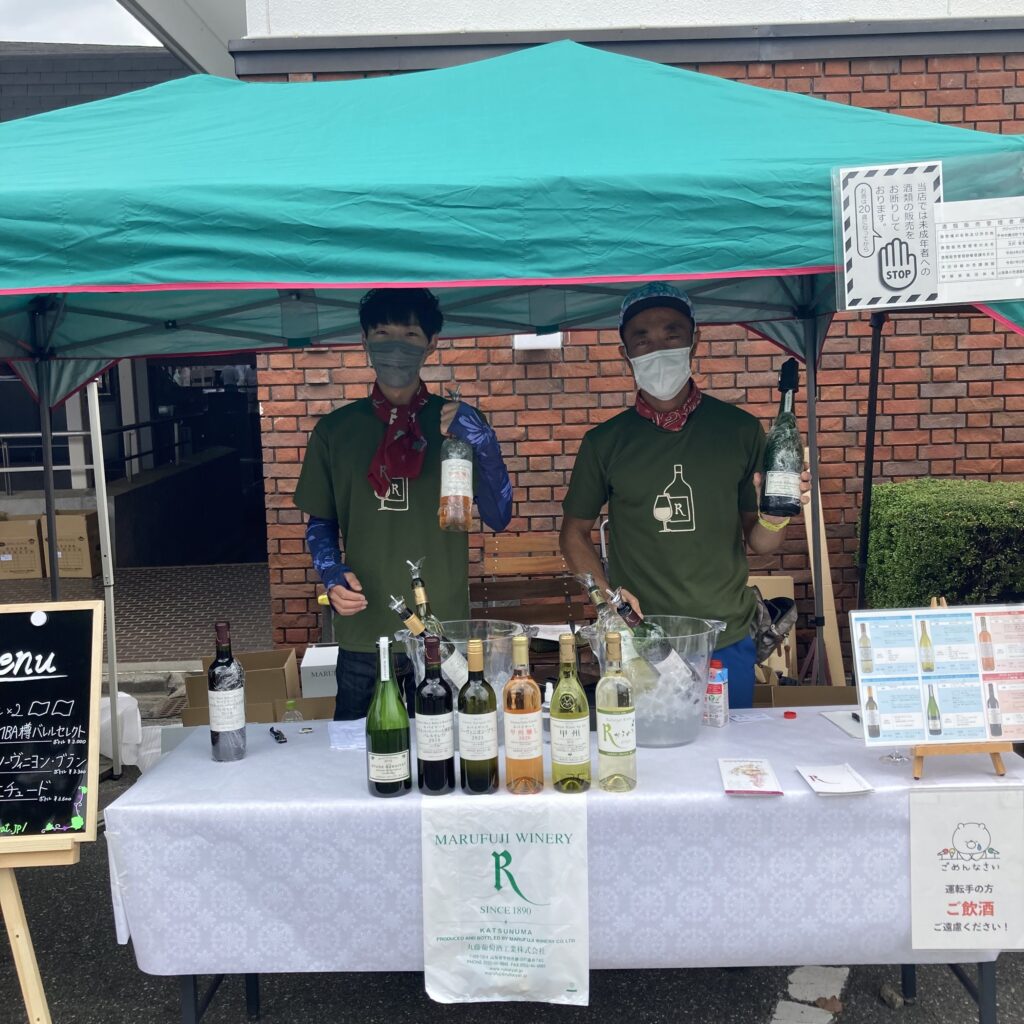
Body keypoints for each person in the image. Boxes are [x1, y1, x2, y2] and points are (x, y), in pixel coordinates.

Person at [559, 282, 810, 708]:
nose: (658, 348)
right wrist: (607, 602)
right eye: (642, 339)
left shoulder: (739, 430)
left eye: (672, 334)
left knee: (729, 747)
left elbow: (762, 543)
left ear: (695, 340)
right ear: (625, 353)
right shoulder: (605, 442)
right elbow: (573, 534)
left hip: (725, 637)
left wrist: (777, 514)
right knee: (646, 749)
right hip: (641, 641)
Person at [294, 288, 513, 719]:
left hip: (443, 636)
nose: (396, 347)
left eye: (410, 335)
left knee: (449, 752)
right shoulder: (335, 431)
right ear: (364, 340)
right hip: (364, 635)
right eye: (383, 334)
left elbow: (499, 516)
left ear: (431, 343)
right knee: (362, 754)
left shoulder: (459, 424)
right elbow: (320, 521)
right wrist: (330, 572)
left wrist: (485, 444)